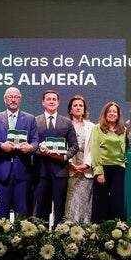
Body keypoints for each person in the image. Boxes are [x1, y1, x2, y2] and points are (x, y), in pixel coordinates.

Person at [0, 87, 38, 220]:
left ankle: (21, 240)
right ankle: (1, 240)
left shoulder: (30, 118)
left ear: (20, 99)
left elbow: (35, 141)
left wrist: (30, 148)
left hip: (22, 170)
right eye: (10, 96)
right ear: (5, 99)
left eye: (16, 97)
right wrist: (1, 146)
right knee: (2, 213)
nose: (13, 99)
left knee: (22, 213)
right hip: (2, 171)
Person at [33, 90, 79, 227]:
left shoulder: (66, 122)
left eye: (54, 99)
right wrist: (40, 150)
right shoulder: (34, 121)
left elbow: (74, 146)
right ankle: (41, 237)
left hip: (60, 171)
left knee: (60, 209)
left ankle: (59, 238)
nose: (51, 101)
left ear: (58, 102)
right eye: (48, 99)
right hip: (40, 171)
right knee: (41, 209)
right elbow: (31, 144)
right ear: (43, 102)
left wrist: (64, 156)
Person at [89, 101, 127, 223]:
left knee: (117, 202)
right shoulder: (97, 128)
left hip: (119, 168)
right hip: (103, 168)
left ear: (118, 114)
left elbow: (126, 149)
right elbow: (95, 150)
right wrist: (99, 171)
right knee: (101, 202)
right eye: (109, 111)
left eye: (114, 111)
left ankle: (117, 230)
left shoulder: (124, 130)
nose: (112, 113)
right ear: (105, 114)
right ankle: (99, 230)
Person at [64, 95, 95, 223]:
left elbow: (94, 148)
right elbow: (63, 146)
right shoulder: (65, 124)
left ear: (84, 109)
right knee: (71, 201)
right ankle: (69, 229)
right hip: (70, 168)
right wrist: (70, 163)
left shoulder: (92, 127)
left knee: (86, 202)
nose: (78, 108)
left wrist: (86, 165)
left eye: (80, 105)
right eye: (75, 105)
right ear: (70, 109)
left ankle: (86, 230)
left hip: (86, 169)